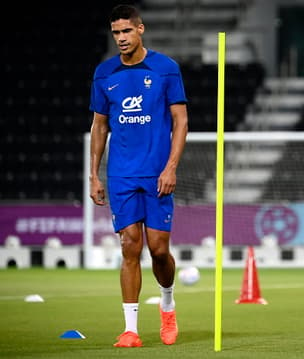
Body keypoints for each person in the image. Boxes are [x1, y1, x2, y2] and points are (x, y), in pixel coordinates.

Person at [89, 4, 188, 347]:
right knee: (129, 246)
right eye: (116, 33)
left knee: (159, 250)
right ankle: (130, 329)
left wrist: (171, 166)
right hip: (122, 176)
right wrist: (94, 175)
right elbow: (99, 127)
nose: (121, 38)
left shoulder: (165, 68)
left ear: (140, 29)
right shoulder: (104, 74)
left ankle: (168, 303)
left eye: (126, 31)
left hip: (157, 173)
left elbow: (181, 121)